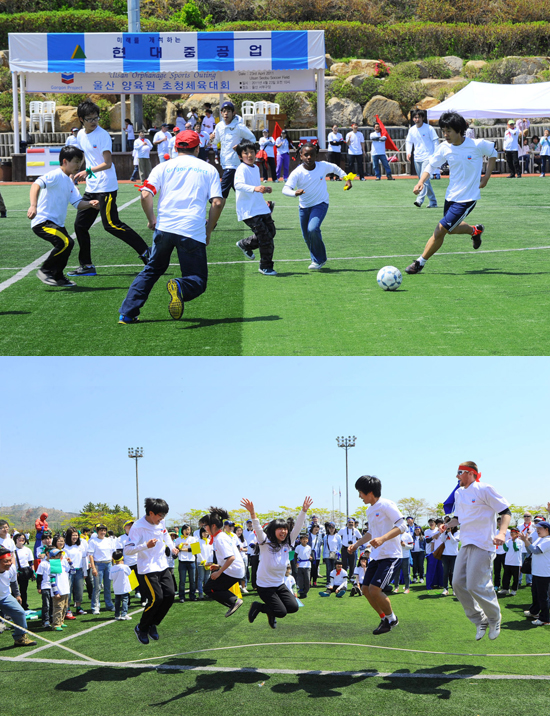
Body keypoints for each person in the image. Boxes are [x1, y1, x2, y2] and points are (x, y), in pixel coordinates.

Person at [118, 130, 224, 324]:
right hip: (192, 229)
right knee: (197, 280)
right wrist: (208, 231)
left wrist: (151, 219)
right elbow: (217, 202)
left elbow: (145, 194)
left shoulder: (163, 167)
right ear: (198, 148)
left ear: (175, 147)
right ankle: (180, 286)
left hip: (165, 227)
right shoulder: (209, 169)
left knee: (152, 269)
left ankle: (127, 313)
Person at [405, 111, 497, 275]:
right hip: (451, 196)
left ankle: (419, 262)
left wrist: (486, 178)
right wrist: (420, 182)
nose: (445, 135)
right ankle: (475, 230)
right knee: (451, 229)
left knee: (440, 229)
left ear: (459, 131)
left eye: (449, 131)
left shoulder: (476, 144)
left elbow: (493, 153)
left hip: (468, 198)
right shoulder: (444, 148)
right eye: (443, 131)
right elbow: (431, 166)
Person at [68, 100, 149, 277]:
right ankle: (87, 266)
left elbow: (107, 163)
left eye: (96, 118)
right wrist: (74, 170)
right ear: (81, 119)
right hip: (92, 187)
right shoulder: (80, 135)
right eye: (90, 119)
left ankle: (147, 253)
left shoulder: (102, 135)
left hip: (106, 186)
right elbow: (84, 156)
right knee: (80, 226)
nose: (94, 121)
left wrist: (87, 171)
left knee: (111, 225)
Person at [440, 461, 510, 641]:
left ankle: (494, 618)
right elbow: (458, 518)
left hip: (483, 544)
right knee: (457, 584)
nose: (457, 476)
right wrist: (447, 525)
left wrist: (502, 533)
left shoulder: (484, 489)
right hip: (466, 543)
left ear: (471, 473)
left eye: (460, 472)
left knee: (475, 585)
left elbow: (505, 511)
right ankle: (480, 620)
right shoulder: (459, 493)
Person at [27, 145, 99, 288]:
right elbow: (36, 185)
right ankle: (45, 270)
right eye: (76, 161)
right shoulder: (55, 175)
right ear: (65, 161)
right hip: (42, 221)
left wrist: (90, 203)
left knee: (67, 245)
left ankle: (58, 277)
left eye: (80, 162)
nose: (79, 165)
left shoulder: (69, 181)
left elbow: (77, 203)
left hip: (56, 223)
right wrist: (33, 205)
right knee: (66, 243)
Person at [241, 496, 313, 628]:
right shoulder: (264, 542)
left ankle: (270, 610)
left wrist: (303, 511)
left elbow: (297, 527)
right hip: (265, 586)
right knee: (281, 612)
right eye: (280, 529)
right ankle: (259, 607)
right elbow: (257, 526)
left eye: (285, 529)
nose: (284, 531)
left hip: (279, 584)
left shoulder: (287, 543)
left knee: (293, 607)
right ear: (274, 531)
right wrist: (252, 513)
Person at [347, 474, 406, 635]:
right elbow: (371, 533)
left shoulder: (386, 504)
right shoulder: (369, 510)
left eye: (360, 492)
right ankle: (384, 619)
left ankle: (392, 619)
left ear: (370, 492)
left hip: (391, 556)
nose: (359, 496)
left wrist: (382, 539)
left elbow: (402, 525)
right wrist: (357, 544)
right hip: (376, 556)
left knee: (374, 590)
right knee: (365, 590)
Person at [282, 143, 352, 270]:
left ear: (316, 156)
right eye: (306, 155)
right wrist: (294, 193)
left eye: (312, 155)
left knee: (313, 229)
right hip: (304, 207)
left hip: (320, 204)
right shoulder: (297, 172)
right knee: (307, 236)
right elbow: (285, 189)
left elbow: (336, 168)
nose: (309, 157)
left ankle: (319, 260)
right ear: (301, 156)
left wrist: (346, 178)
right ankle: (318, 259)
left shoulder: (322, 166)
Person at [124, 497, 178, 645]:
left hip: (162, 565)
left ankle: (152, 623)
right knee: (156, 598)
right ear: (151, 513)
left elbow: (165, 534)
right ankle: (141, 627)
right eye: (160, 515)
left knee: (170, 595)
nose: (162, 519)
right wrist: (145, 546)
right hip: (147, 568)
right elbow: (127, 550)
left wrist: (172, 546)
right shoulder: (138, 527)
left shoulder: (161, 523)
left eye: (164, 516)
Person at [234, 139, 277, 276]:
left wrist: (265, 189)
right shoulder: (241, 168)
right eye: (245, 153)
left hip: (260, 207)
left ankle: (246, 244)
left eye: (252, 152)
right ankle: (265, 266)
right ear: (240, 156)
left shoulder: (256, 168)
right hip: (248, 210)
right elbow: (238, 185)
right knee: (265, 237)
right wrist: (255, 188)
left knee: (271, 231)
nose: (249, 155)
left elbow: (256, 187)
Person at [201, 506, 246, 618]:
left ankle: (234, 601)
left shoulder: (220, 538)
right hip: (235, 569)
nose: (204, 528)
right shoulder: (219, 537)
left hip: (234, 570)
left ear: (213, 526)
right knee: (213, 587)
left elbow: (231, 558)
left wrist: (219, 572)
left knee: (209, 588)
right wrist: (218, 566)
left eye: (205, 525)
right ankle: (233, 601)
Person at [211, 101, 256, 200]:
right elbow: (215, 141)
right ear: (221, 113)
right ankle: (266, 205)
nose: (226, 113)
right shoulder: (219, 126)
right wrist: (211, 138)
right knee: (242, 193)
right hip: (225, 162)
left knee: (221, 194)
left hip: (234, 164)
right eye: (224, 111)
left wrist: (240, 147)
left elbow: (252, 139)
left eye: (228, 111)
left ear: (233, 113)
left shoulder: (239, 126)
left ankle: (214, 213)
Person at [0, 547, 36, 646]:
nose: (9, 563)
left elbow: (13, 582)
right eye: (5, 561)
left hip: (5, 596)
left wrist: (17, 595)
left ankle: (20, 638)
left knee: (20, 612)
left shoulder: (11, 568)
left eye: (10, 560)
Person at [518, 520, 550, 626]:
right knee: (536, 594)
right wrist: (526, 541)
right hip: (537, 572)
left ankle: (545, 618)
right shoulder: (540, 539)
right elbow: (530, 550)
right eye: (537, 528)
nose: (537, 530)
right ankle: (534, 612)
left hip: (544, 573)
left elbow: (536, 550)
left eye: (539, 528)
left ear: (547, 530)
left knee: (543, 596)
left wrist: (525, 540)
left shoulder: (548, 540)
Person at [406, 109, 439, 209]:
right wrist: (408, 152)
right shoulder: (412, 129)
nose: (417, 119)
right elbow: (409, 142)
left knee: (423, 180)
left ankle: (419, 200)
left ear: (422, 118)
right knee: (424, 180)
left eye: (418, 117)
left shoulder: (429, 128)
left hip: (428, 157)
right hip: (417, 157)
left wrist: (435, 154)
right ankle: (433, 202)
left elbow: (435, 141)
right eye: (415, 117)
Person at [88, 523, 116, 614]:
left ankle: (109, 605)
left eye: (104, 531)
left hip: (108, 564)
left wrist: (113, 565)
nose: (103, 532)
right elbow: (91, 555)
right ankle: (95, 607)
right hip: (98, 565)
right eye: (101, 530)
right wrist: (93, 568)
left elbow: (112, 553)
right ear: (98, 531)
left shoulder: (109, 540)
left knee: (108, 587)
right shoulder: (93, 541)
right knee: (97, 587)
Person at [63, 527, 87, 616]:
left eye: (76, 535)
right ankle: (68, 609)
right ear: (69, 536)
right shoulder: (65, 546)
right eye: (73, 535)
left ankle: (78, 607)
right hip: (69, 572)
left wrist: (85, 571)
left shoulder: (80, 545)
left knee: (79, 590)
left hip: (79, 570)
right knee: (68, 590)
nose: (75, 537)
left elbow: (84, 558)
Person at [175, 524, 198, 603]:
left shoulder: (193, 539)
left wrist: (182, 548)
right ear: (182, 531)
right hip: (182, 562)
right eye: (186, 530)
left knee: (192, 580)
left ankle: (192, 595)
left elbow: (195, 550)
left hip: (191, 561)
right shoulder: (178, 539)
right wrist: (180, 547)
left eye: (189, 530)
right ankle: (182, 596)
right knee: (182, 581)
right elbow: (176, 549)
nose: (187, 531)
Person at [499, 526, 522, 596]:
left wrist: (514, 541)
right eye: (511, 532)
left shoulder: (520, 541)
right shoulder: (508, 541)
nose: (512, 534)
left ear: (517, 534)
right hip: (508, 561)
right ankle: (505, 589)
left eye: (514, 533)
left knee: (515, 578)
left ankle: (514, 590)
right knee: (506, 576)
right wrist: (503, 544)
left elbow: (516, 549)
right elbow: (506, 549)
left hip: (516, 562)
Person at [110, 549, 132, 620]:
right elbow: (129, 573)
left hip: (116, 588)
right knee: (125, 600)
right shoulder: (125, 567)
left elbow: (110, 577)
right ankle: (124, 614)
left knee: (117, 601)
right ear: (122, 557)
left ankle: (117, 615)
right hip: (124, 587)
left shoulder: (112, 568)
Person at [14, 533, 34, 611]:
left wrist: (33, 572)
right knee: (14, 591)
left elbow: (30, 562)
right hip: (15, 572)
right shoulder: (13, 549)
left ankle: (24, 606)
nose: (21, 539)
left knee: (23, 590)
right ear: (15, 539)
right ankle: (15, 607)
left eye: (23, 538)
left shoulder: (27, 550)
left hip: (25, 572)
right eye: (19, 538)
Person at [440, 522, 460, 596]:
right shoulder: (445, 533)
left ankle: (455, 589)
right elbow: (442, 540)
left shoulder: (457, 532)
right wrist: (444, 531)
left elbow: (454, 541)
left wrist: (449, 533)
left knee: (454, 572)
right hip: (445, 555)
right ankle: (445, 589)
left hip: (454, 555)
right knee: (445, 572)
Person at [392, 529, 413, 594]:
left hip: (405, 557)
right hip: (397, 557)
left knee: (406, 573)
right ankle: (396, 587)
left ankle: (407, 588)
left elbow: (411, 546)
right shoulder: (395, 535)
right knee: (396, 573)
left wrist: (405, 545)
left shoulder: (408, 535)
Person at [295, 532, 312, 599]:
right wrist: (296, 562)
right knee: (300, 579)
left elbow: (309, 555)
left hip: (307, 565)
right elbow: (295, 555)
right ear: (300, 540)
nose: (304, 540)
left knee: (307, 579)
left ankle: (306, 590)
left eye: (306, 539)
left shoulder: (309, 547)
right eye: (303, 539)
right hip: (300, 565)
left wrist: (311, 558)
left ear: (307, 540)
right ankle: (301, 591)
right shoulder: (298, 547)